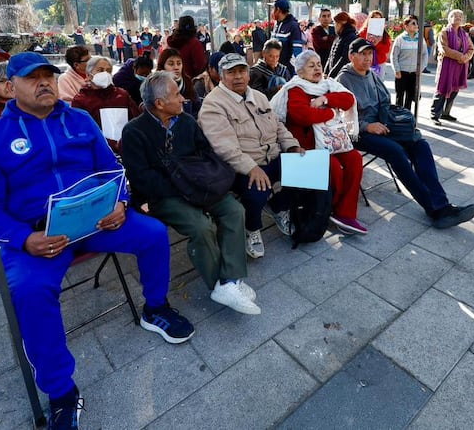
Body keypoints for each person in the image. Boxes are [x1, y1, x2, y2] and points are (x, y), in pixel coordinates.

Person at [0, 52, 194, 429]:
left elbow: (113, 170)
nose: (44, 83)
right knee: (29, 290)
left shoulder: (79, 120)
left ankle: (155, 308)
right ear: (11, 87)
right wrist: (25, 240)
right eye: (32, 78)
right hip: (41, 236)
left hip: (97, 220)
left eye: (49, 76)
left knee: (153, 233)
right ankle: (61, 392)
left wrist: (121, 203)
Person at [121, 72, 260, 315]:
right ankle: (220, 283)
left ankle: (230, 280)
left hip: (197, 185)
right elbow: (141, 178)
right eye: (176, 95)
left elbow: (205, 152)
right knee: (200, 227)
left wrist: (201, 181)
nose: (183, 99)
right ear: (160, 103)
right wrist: (182, 188)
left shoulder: (186, 121)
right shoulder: (134, 131)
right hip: (164, 196)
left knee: (234, 210)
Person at [337, 38, 474, 229]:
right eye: (363, 54)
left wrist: (394, 121)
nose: (368, 58)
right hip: (360, 133)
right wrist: (366, 126)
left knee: (421, 145)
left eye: (370, 53)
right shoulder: (343, 79)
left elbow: (385, 102)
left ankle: (442, 205)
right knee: (396, 152)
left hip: (384, 125)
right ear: (351, 56)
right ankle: (434, 209)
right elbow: (341, 117)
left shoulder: (372, 75)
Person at [198, 53, 304, 259]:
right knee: (258, 189)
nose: (238, 77)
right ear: (221, 76)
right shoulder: (213, 105)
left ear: (248, 73)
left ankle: (279, 207)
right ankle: (251, 228)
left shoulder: (259, 96)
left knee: (304, 170)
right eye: (231, 72)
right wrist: (251, 168)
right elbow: (224, 147)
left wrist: (292, 146)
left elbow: (278, 126)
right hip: (239, 166)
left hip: (270, 156)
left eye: (242, 71)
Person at [271, 50, 367, 235]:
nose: (317, 68)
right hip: (308, 145)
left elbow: (348, 99)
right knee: (334, 168)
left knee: (355, 158)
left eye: (319, 64)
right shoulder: (295, 88)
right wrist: (331, 112)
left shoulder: (327, 84)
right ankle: (330, 208)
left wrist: (326, 99)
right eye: (311, 65)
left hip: (333, 141)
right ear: (300, 72)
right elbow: (303, 115)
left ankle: (345, 213)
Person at [71, 56, 140, 152]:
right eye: (100, 70)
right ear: (88, 75)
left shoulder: (122, 95)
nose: (105, 74)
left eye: (108, 71)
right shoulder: (81, 100)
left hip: (128, 148)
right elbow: (82, 130)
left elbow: (136, 120)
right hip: (97, 150)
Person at [431, 9, 474, 124]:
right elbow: (444, 49)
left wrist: (466, 57)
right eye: (455, 15)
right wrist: (461, 56)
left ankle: (446, 113)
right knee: (441, 89)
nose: (458, 17)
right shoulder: (444, 32)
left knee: (455, 89)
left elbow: (471, 48)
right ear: (449, 18)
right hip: (447, 66)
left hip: (460, 67)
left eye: (460, 16)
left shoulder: (464, 34)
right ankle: (435, 115)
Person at [390, 16, 426, 110]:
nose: (416, 25)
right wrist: (397, 70)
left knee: (410, 97)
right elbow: (394, 56)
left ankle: (407, 117)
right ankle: (398, 116)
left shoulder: (420, 39)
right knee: (400, 97)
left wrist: (420, 68)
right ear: (405, 26)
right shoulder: (400, 39)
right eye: (413, 23)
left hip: (414, 73)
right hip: (401, 73)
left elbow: (425, 55)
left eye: (416, 23)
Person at [157, 48, 200, 117]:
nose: (176, 67)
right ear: (162, 66)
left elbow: (198, 108)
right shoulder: (156, 86)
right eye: (171, 64)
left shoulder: (187, 83)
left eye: (179, 63)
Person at [167, 15, 208, 79]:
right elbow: (200, 65)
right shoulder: (194, 43)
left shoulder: (171, 43)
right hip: (189, 82)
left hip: (172, 80)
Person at [270, 0, 304, 72]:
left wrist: (293, 73)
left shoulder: (293, 26)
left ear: (278, 10)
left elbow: (297, 52)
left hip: (286, 72)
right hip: (274, 69)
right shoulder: (277, 24)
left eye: (273, 8)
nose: (271, 12)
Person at [357, 10, 393, 76]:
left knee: (379, 83)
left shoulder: (384, 34)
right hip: (365, 61)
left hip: (379, 63)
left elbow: (386, 49)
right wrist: (371, 43)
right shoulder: (363, 32)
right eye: (375, 19)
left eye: (379, 19)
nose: (377, 21)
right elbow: (358, 47)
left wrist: (378, 42)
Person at [325, 12, 359, 78]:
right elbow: (330, 57)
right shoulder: (338, 37)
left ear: (340, 24)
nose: (334, 26)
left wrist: (331, 75)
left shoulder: (351, 37)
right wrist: (326, 73)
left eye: (335, 23)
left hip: (343, 77)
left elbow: (344, 59)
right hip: (333, 76)